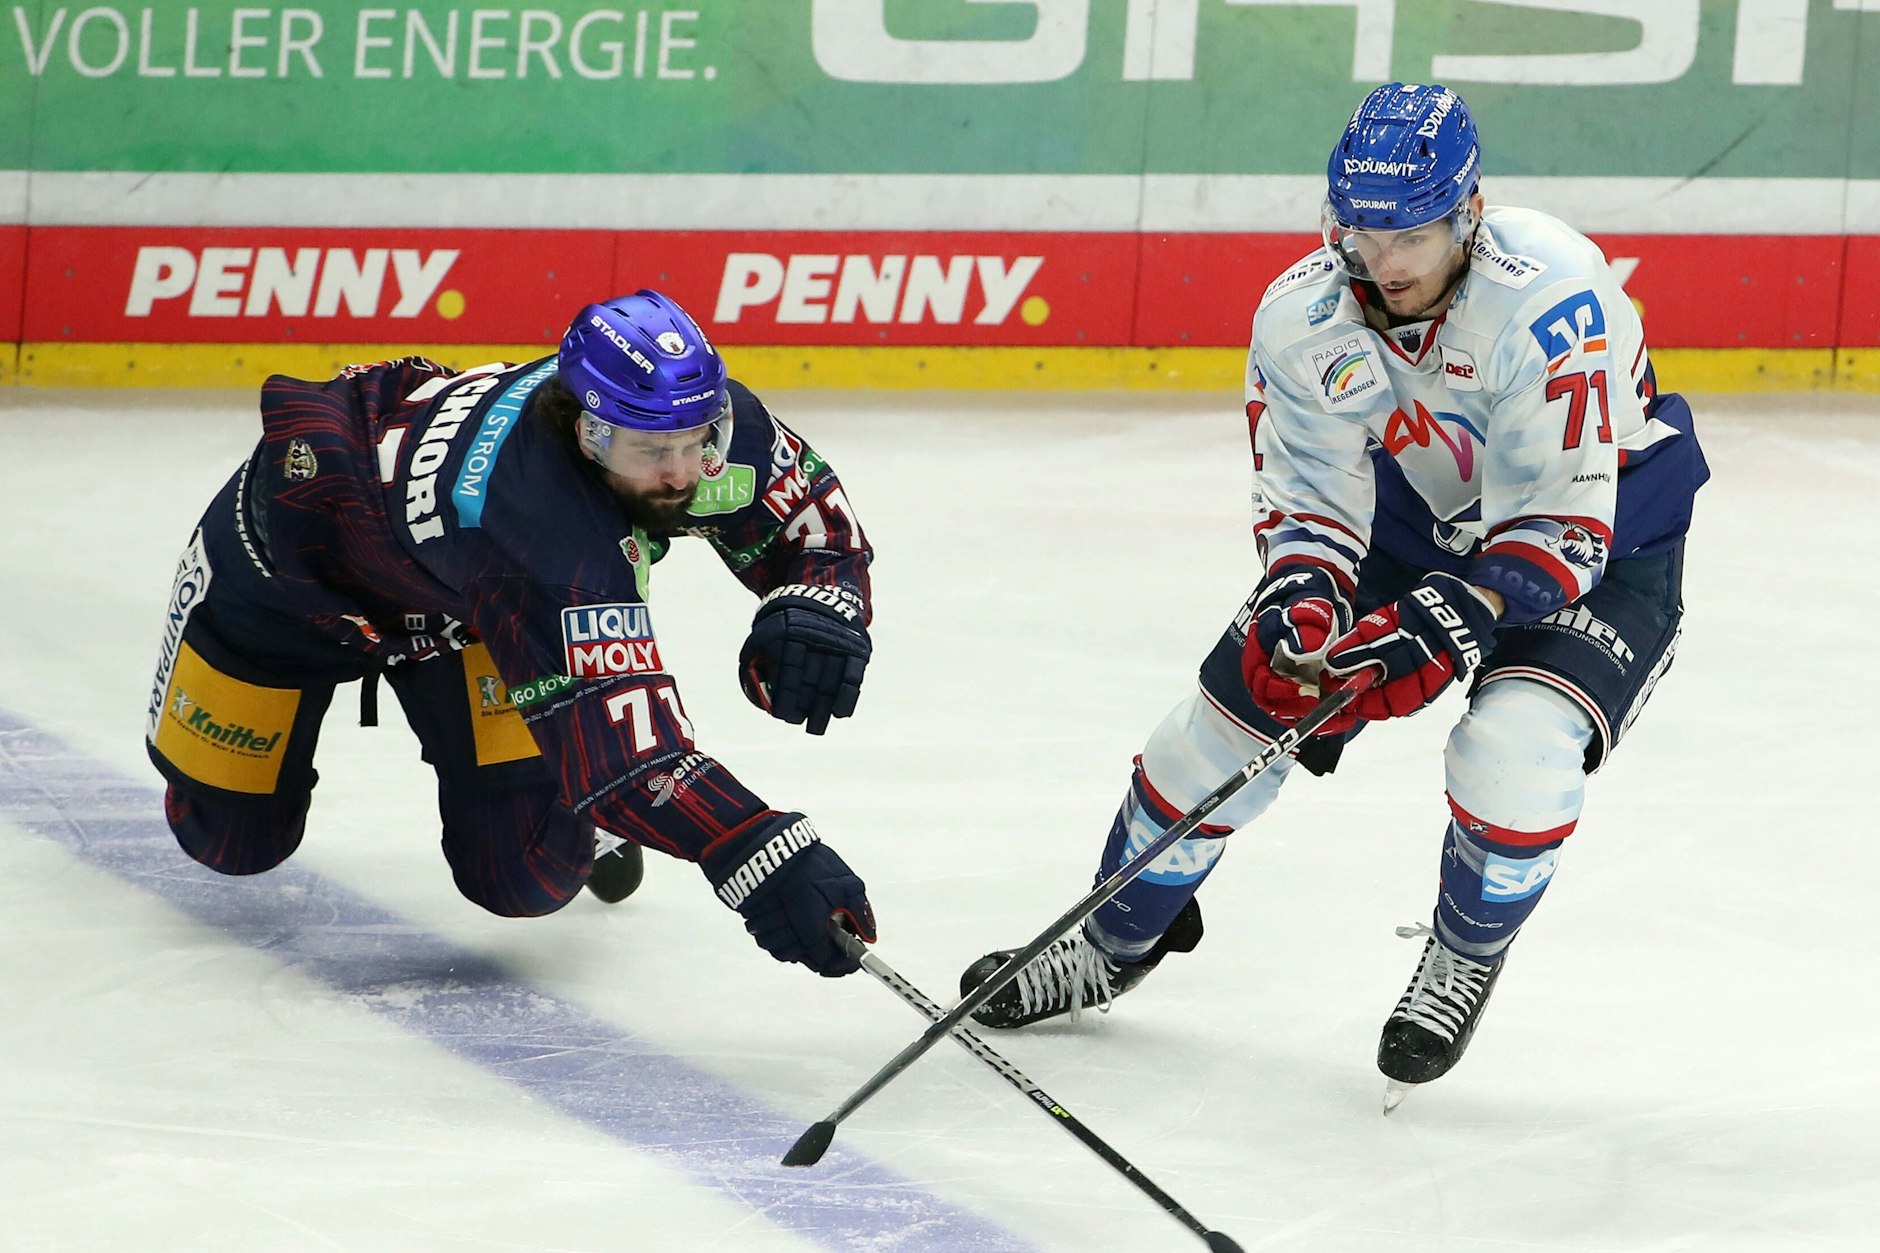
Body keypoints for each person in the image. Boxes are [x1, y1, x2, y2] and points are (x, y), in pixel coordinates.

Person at [960, 82, 1709, 1105]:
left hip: (1607, 526)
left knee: (1512, 753)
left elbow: (1561, 520)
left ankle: (1461, 948)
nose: (1383, 260)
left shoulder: (1548, 292)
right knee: (1214, 733)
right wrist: (1298, 599)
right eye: (1360, 228)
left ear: (1467, 214)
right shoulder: (1301, 312)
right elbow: (1310, 505)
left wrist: (1451, 618)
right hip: (1419, 516)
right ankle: (1109, 940)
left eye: (1411, 232)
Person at [145, 290, 879, 977]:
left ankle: (593, 821)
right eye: (653, 452)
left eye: (697, 438)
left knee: (523, 873)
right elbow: (629, 757)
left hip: (467, 616)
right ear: (585, 429)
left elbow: (812, 523)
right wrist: (753, 845)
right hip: (281, 593)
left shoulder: (698, 429)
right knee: (231, 840)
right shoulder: (543, 535)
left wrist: (816, 600)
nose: (684, 473)